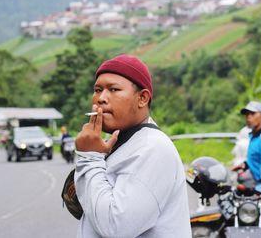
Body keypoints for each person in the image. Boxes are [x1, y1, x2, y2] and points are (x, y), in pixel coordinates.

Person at [74, 54, 191, 238]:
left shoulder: (152, 148)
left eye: (113, 89)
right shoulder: (122, 143)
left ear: (142, 98)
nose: (101, 98)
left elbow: (116, 227)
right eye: (97, 90)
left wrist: (89, 158)